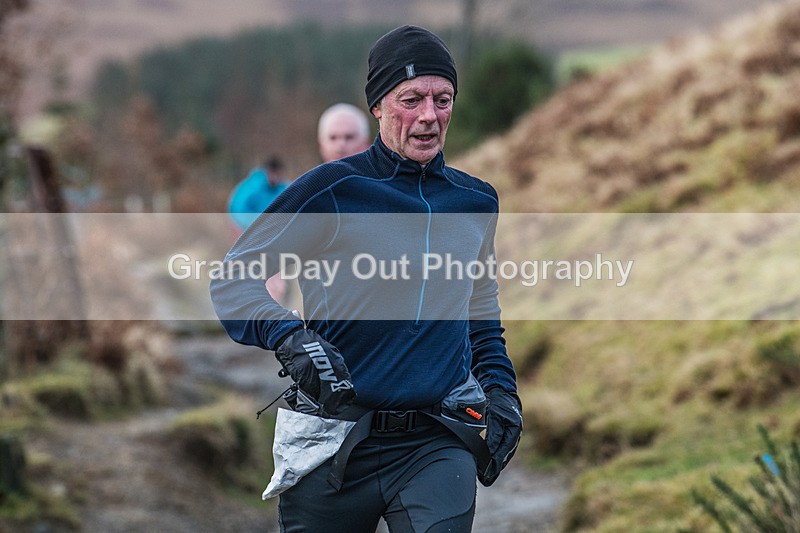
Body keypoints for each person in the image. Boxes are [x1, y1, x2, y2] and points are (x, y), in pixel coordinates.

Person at [210, 25, 522, 533]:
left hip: (435, 442)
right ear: (377, 106)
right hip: (332, 441)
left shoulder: (475, 202)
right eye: (411, 99)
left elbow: (480, 316)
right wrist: (289, 335)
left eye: (443, 99)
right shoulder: (333, 190)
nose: (429, 116)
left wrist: (502, 392)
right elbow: (233, 279)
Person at [227, 155, 290, 233]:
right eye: (273, 173)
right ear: (267, 172)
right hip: (244, 225)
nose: (275, 177)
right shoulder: (253, 185)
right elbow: (237, 209)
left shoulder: (284, 188)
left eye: (278, 174)